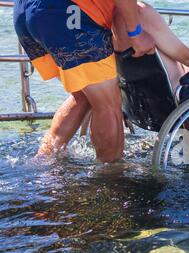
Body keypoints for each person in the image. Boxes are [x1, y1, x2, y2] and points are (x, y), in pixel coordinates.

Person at [13, 0, 155, 163]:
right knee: (108, 104)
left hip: (26, 12)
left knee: (83, 94)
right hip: (66, 13)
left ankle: (44, 162)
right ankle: (110, 175)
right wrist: (136, 33)